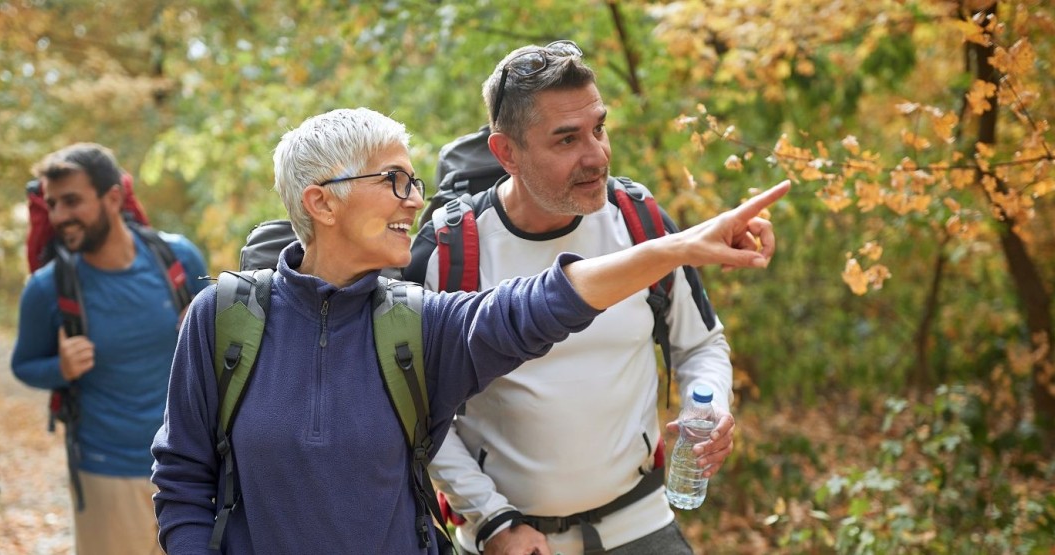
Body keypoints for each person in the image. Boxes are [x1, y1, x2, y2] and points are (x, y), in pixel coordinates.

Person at [151, 107, 785, 553]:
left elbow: (543, 304)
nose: (413, 200)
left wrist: (676, 247)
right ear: (322, 202)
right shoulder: (225, 317)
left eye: (414, 181)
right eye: (393, 180)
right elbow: (182, 476)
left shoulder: (418, 323)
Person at [404, 41, 744, 555]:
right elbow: (414, 411)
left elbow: (701, 346)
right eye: (566, 140)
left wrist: (712, 406)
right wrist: (491, 518)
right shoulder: (450, 253)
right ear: (506, 153)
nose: (597, 155)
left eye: (599, 129)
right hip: (515, 541)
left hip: (643, 524)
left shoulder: (640, 221)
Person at [11, 143, 210, 554]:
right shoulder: (46, 289)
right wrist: (60, 368)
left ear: (113, 198)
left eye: (72, 201)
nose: (60, 215)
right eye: (52, 204)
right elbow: (24, 364)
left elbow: (226, 347)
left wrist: (205, 318)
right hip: (105, 471)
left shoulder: (177, 258)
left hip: (189, 469)